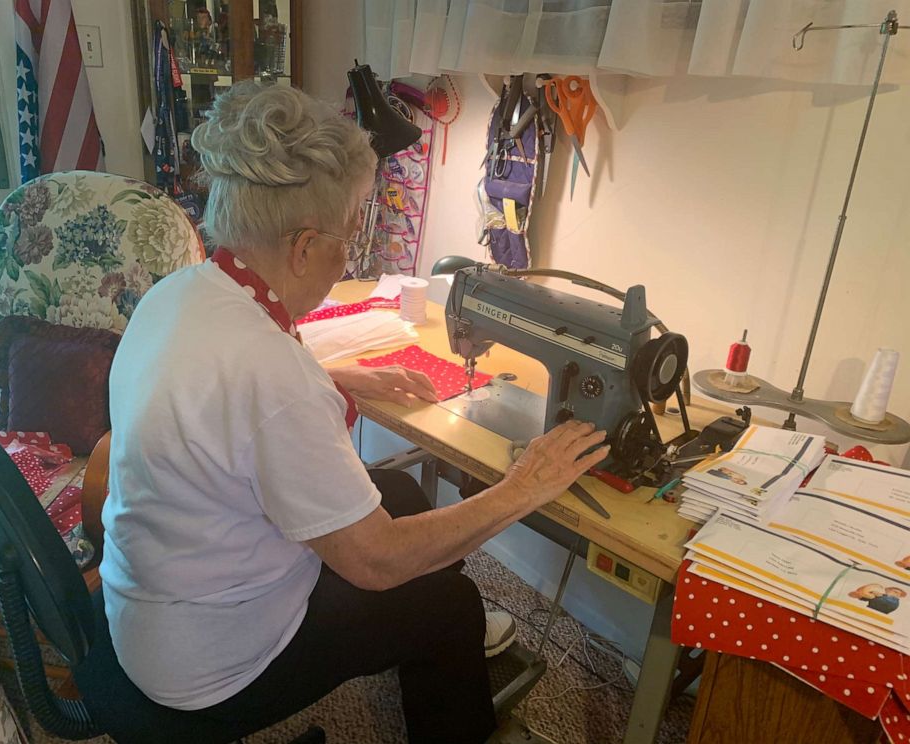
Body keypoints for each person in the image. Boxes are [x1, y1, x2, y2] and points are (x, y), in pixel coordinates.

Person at [100, 81, 609, 744]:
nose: (352, 252)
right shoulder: (271, 373)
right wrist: (523, 488)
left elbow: (215, 404)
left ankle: (428, 657)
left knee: (395, 487)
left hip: (149, 603)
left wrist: (335, 376)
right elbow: (374, 562)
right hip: (212, 662)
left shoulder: (181, 292)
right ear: (305, 245)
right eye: (350, 234)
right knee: (448, 603)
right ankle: (448, 680)